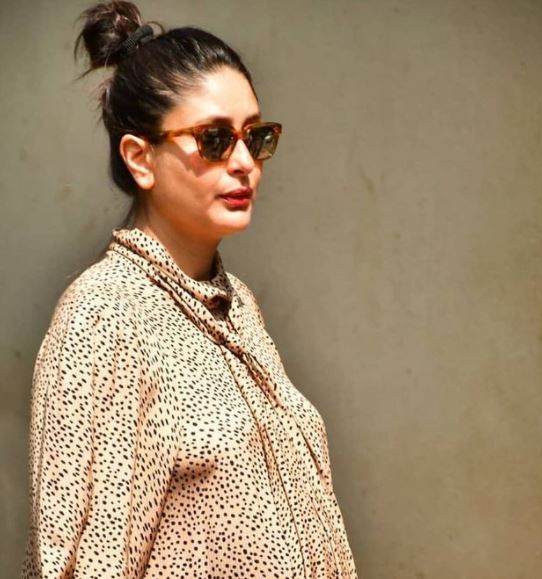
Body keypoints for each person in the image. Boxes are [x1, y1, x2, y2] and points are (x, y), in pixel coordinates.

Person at [21, 2, 358, 578]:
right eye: (215, 139)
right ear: (140, 158)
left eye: (255, 136)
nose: (245, 162)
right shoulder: (104, 318)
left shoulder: (236, 304)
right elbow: (79, 563)